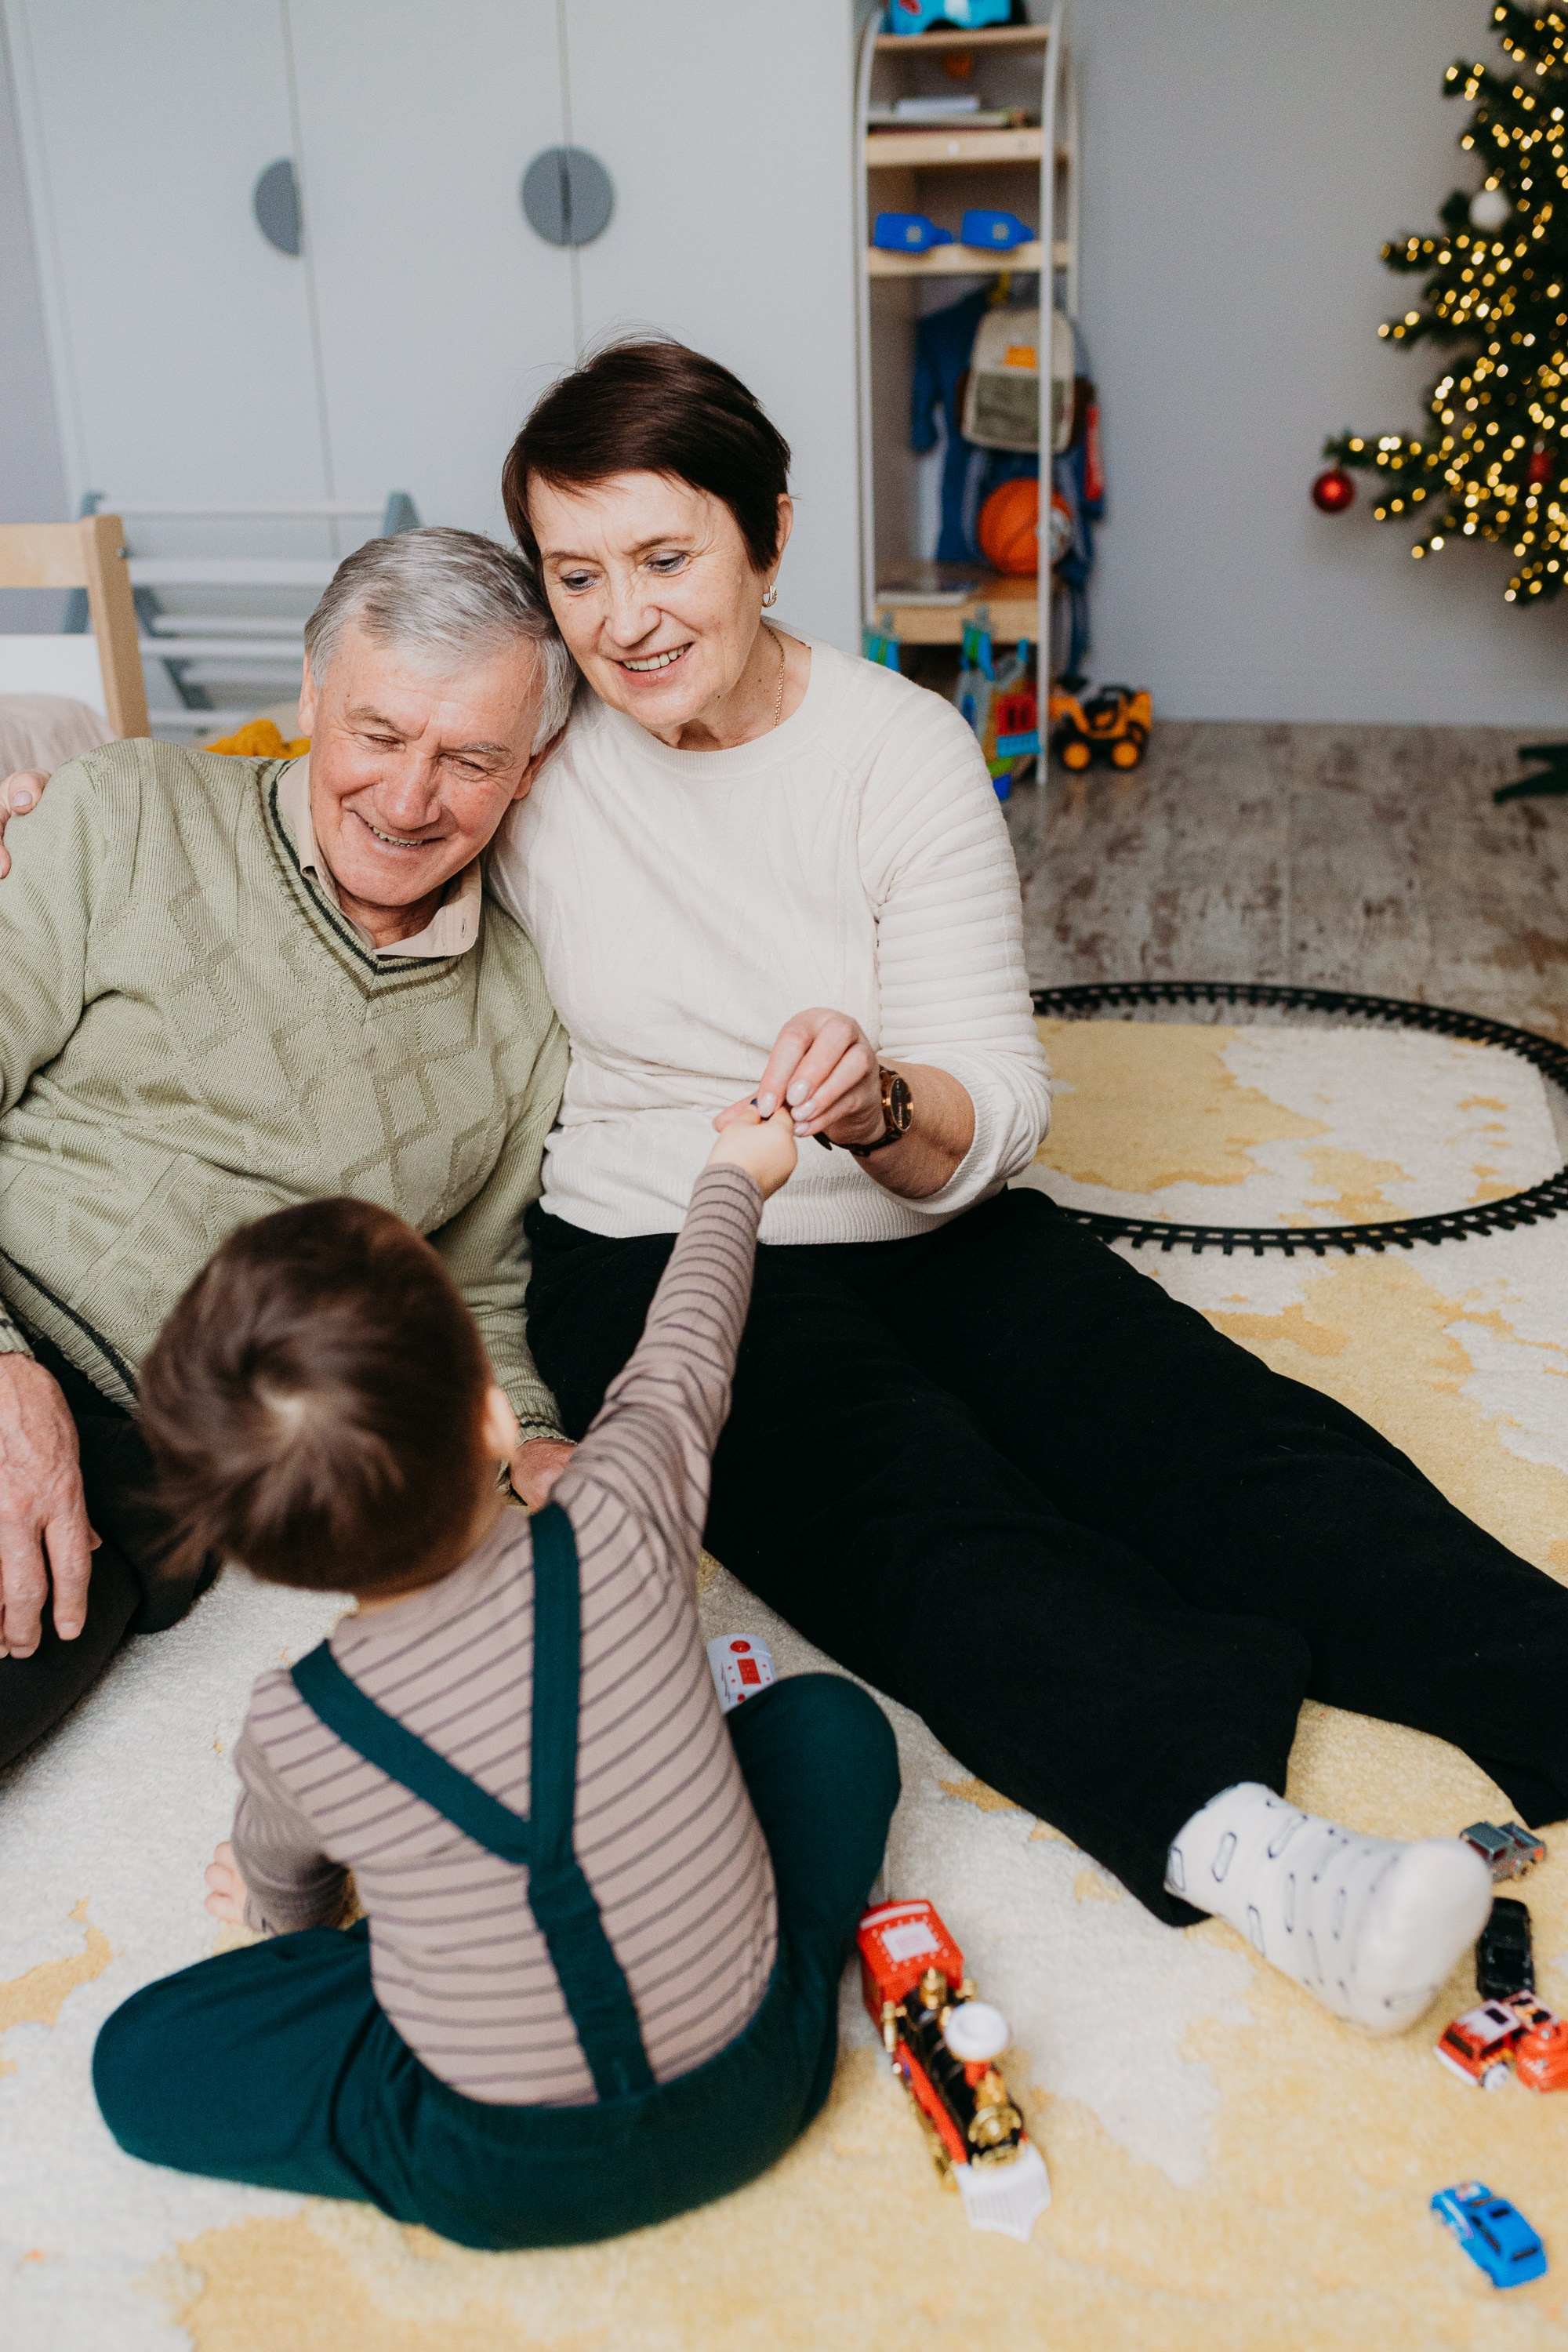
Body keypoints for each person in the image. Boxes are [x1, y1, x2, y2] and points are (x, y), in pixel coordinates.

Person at [492, 339, 1547, 2034]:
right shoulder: (529, 743)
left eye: (665, 557)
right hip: (667, 1246)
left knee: (1218, 1436)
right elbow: (338, 783)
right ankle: (1266, 1860)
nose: (622, 619)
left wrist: (878, 1103)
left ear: (770, 535)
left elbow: (997, 1109)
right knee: (919, 1528)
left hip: (923, 1207)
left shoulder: (897, 749)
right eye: (577, 574)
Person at [91, 1110, 898, 2247]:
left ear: (258, 1554)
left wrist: (288, 1926)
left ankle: (454, 1981)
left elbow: (290, 1895)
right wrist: (734, 1177)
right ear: (491, 1416)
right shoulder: (622, 1514)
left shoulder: (301, 1725)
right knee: (829, 1723)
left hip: (498, 2173)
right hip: (760, 2086)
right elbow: (687, 1349)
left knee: (139, 2058)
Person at [0, 527, 576, 1769]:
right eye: (379, 734)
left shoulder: (525, 1016)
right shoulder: (127, 810)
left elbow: (470, 1293)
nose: (408, 802)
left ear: (532, 767)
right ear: (311, 694)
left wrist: (531, 1440)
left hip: (169, 1446)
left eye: (469, 760)